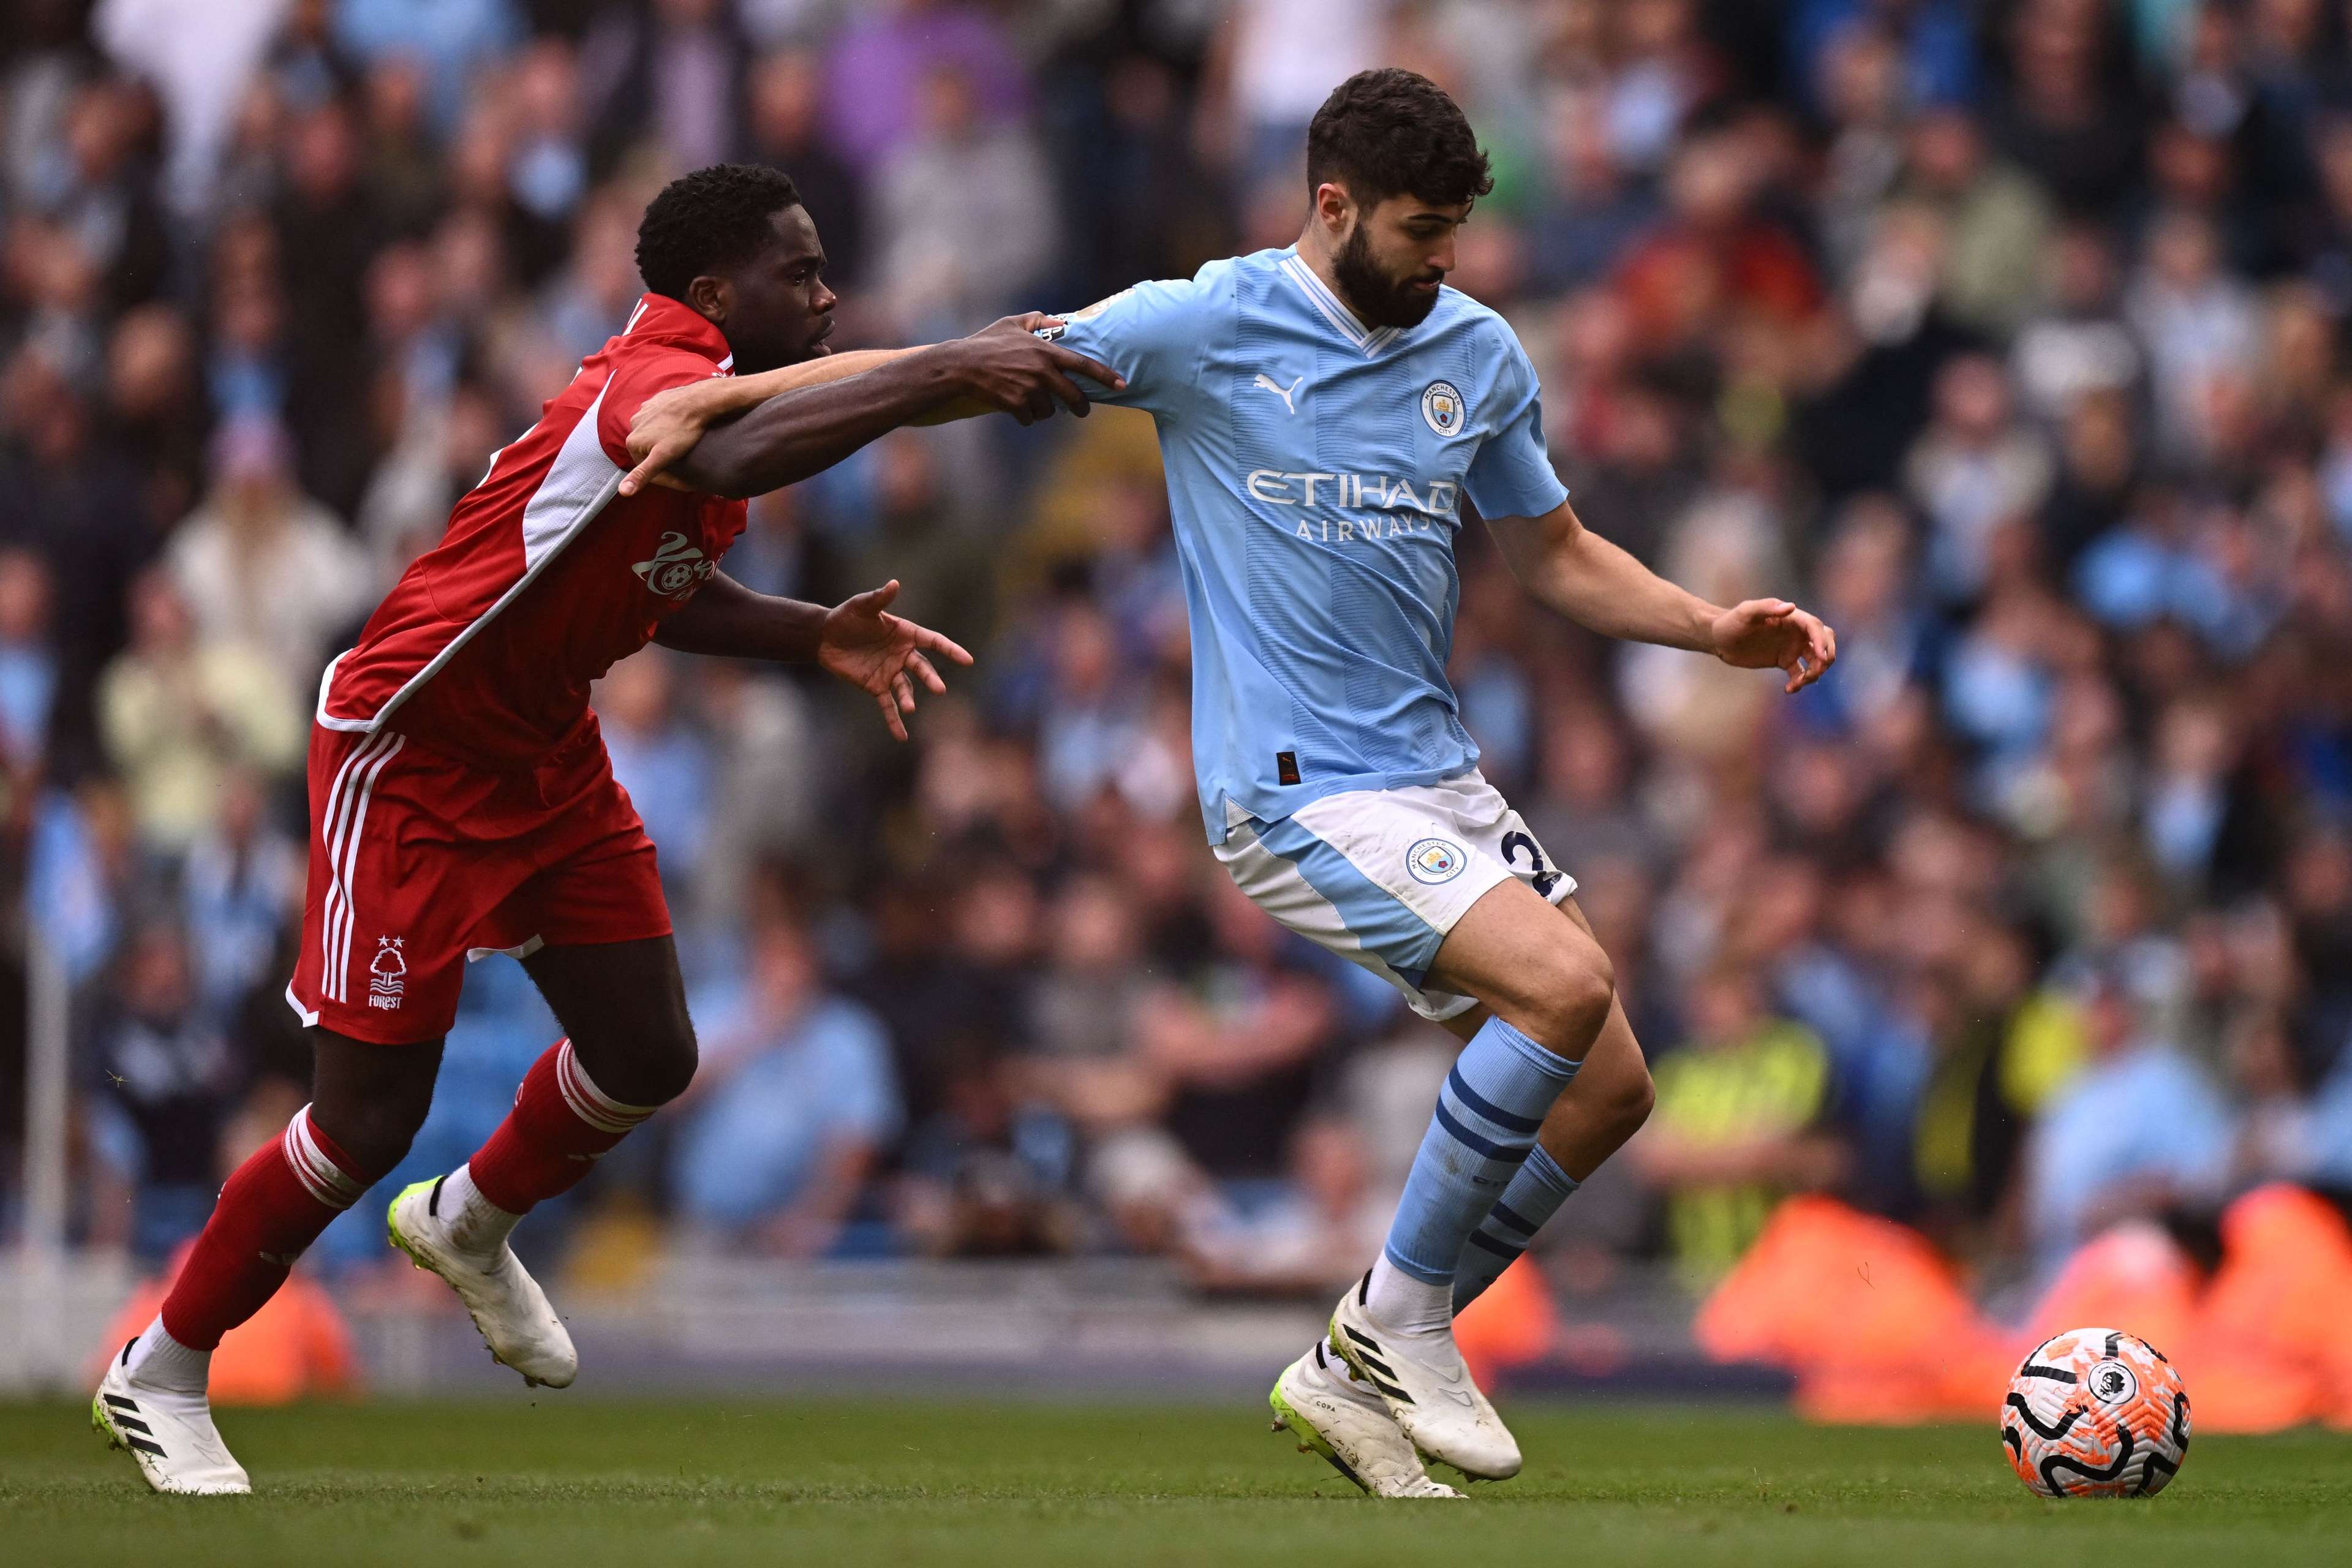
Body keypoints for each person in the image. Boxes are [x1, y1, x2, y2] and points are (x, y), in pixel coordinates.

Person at [633, 70, 1838, 1501]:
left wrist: (1708, 625)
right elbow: (966, 363)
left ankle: (1358, 1355)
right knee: (1565, 995)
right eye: (1418, 228)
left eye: (1455, 229)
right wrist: (732, 396)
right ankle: (1400, 1322)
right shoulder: (1205, 322)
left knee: (1613, 1089)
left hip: (1432, 779)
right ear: (1332, 206)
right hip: (1291, 786)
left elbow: (1556, 551)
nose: (1443, 256)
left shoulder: (1480, 351)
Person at [91, 162, 1120, 1497]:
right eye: (798, 275)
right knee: (363, 1119)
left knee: (648, 1047)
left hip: (543, 747)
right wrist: (946, 370)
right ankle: (161, 1362)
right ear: (712, 296)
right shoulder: (650, 379)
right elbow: (731, 449)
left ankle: (471, 1221)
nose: (824, 295)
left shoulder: (712, 402)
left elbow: (658, 586)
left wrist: (814, 632)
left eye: (821, 273)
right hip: (408, 753)